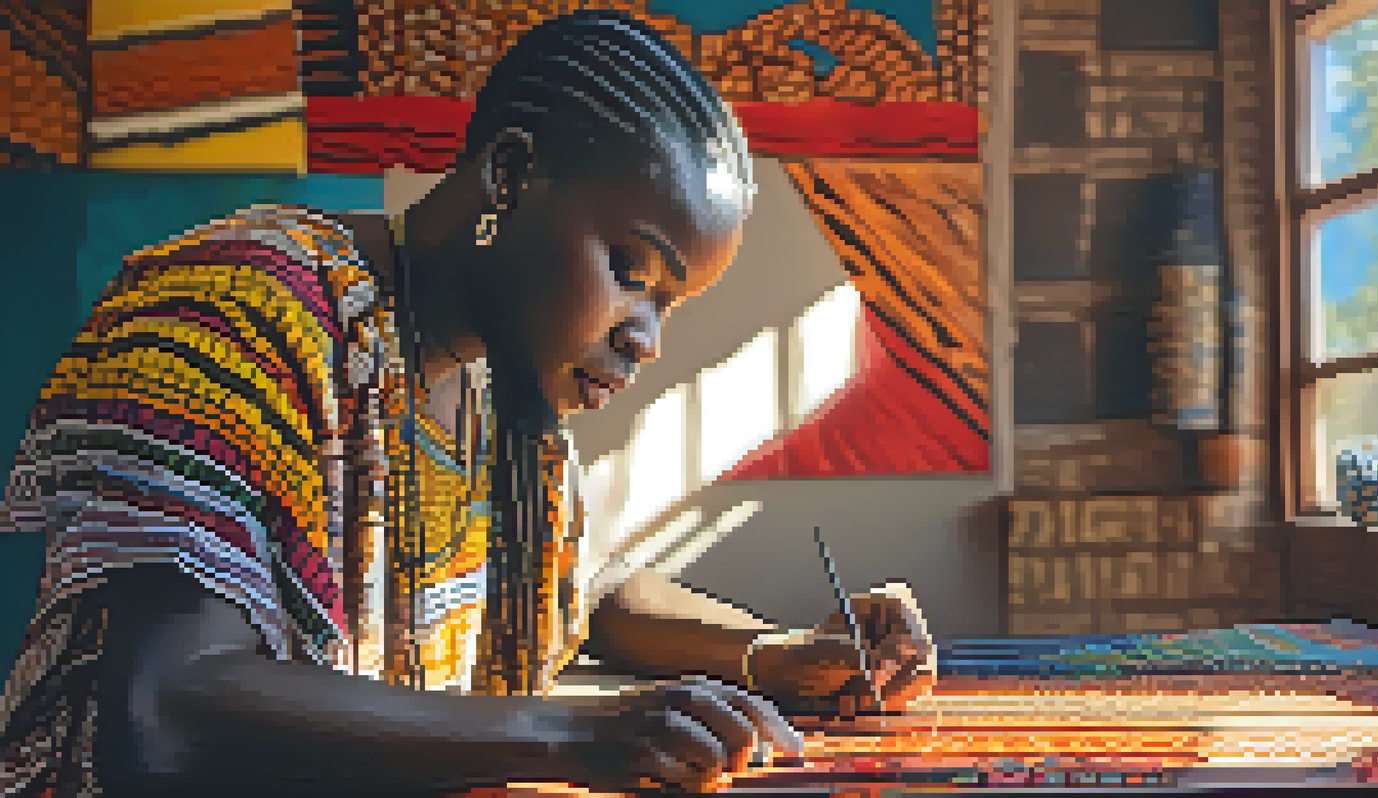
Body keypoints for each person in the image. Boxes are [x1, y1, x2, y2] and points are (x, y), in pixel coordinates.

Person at [0, 10, 934, 797]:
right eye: (633, 272)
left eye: (668, 305)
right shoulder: (241, 309)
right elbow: (165, 704)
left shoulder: (497, 395)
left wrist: (773, 653)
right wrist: (573, 739)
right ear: (508, 176)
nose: (647, 338)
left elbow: (584, 600)